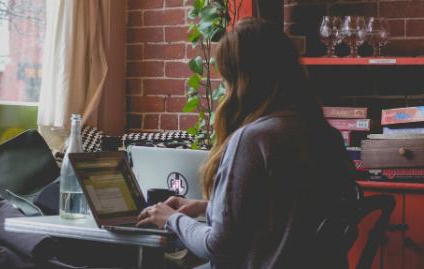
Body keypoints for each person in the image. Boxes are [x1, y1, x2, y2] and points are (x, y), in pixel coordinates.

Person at [136, 19, 358, 268]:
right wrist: (205, 207)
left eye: (227, 77)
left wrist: (171, 219)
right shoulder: (324, 134)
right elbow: (287, 216)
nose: (224, 86)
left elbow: (218, 248)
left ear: (242, 81)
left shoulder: (254, 139)